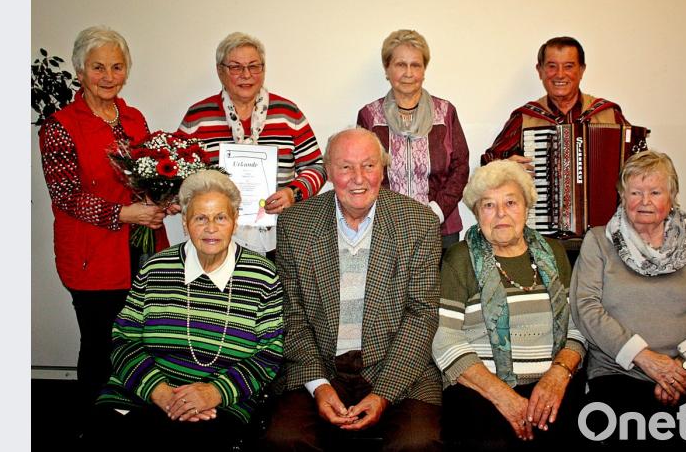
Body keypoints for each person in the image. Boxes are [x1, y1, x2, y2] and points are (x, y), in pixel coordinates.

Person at [264, 128, 442, 451]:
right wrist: (318, 386)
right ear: (329, 171)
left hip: (398, 367)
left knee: (416, 444)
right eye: (346, 167)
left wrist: (383, 393)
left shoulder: (419, 223)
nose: (358, 178)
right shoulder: (296, 224)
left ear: (383, 169)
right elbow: (292, 314)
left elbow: (422, 315)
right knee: (284, 439)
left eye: (369, 166)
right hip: (320, 365)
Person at [86, 170, 284, 451]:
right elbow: (123, 339)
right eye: (200, 218)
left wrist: (215, 392)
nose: (211, 228)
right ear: (185, 221)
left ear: (235, 221)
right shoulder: (155, 268)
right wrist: (160, 392)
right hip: (140, 393)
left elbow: (269, 354)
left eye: (221, 217)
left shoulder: (262, 276)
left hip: (220, 403)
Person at [38, 25, 171, 411]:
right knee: (100, 343)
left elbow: (150, 174)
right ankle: (94, 422)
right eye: (98, 67)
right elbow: (65, 195)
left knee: (143, 339)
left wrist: (164, 200)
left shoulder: (133, 118)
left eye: (116, 67)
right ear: (80, 71)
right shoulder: (61, 126)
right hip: (92, 254)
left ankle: (136, 412)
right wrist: (124, 212)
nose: (108, 76)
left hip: (142, 249)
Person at [570, 151, 686, 449]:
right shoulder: (598, 242)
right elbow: (586, 308)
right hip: (620, 374)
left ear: (672, 196)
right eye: (635, 192)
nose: (645, 201)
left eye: (655, 192)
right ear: (622, 196)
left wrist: (681, 369)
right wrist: (645, 359)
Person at [432, 160, 587, 450]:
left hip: (553, 385)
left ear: (527, 207)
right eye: (488, 205)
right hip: (481, 390)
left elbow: (578, 326)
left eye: (511, 202)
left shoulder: (554, 252)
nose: (501, 213)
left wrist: (558, 374)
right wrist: (502, 395)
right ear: (477, 213)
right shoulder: (460, 258)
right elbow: (444, 337)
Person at [178, 32, 326, 259]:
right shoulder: (198, 117)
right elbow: (176, 172)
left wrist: (292, 193)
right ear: (220, 71)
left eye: (254, 66)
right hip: (214, 237)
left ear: (263, 70)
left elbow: (318, 166)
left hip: (280, 235)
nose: (246, 75)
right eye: (236, 67)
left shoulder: (288, 114)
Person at [357, 29, 469, 251]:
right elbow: (362, 171)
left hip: (441, 228)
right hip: (386, 227)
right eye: (400, 64)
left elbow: (460, 167)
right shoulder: (369, 116)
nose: (408, 73)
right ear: (387, 69)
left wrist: (435, 211)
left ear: (424, 70)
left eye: (415, 65)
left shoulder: (445, 112)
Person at [481, 36, 629, 170]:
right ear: (540, 70)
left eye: (569, 66)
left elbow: (641, 164)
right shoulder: (524, 118)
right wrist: (507, 168)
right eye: (552, 66)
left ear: (582, 70)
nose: (559, 74)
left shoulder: (609, 115)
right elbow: (488, 162)